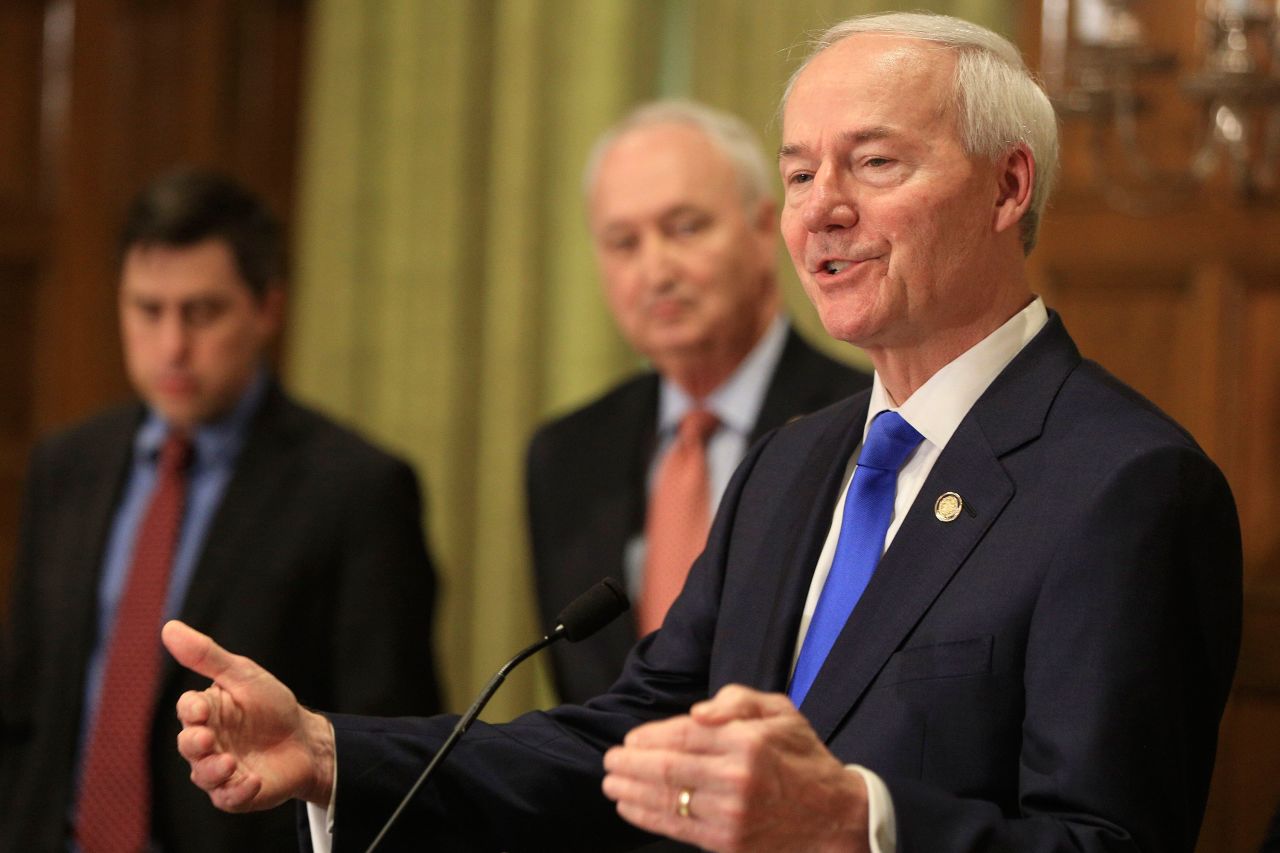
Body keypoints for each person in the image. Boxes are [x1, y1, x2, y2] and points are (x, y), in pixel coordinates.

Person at [162, 12, 1242, 853]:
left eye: (871, 163)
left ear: (1007, 186)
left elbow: (1107, 839)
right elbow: (624, 741)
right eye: (799, 171)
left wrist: (853, 822)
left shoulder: (1124, 485)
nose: (820, 208)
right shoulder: (793, 464)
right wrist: (329, 748)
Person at [0, 168, 444, 852]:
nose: (173, 345)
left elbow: (387, 741)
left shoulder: (356, 488)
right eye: (148, 310)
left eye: (202, 312)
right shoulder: (67, 465)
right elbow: (26, 705)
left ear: (266, 308)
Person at [528, 99, 870, 705]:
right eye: (623, 242)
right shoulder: (565, 454)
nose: (656, 270)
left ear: (764, 228)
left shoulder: (866, 420)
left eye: (685, 228)